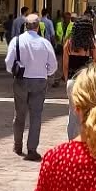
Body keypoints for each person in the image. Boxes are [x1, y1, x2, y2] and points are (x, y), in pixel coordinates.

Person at [8, 11, 59, 160]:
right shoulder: (45, 43)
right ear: (38, 27)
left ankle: (18, 145)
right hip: (39, 81)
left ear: (25, 26)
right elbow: (54, 65)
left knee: (19, 114)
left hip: (21, 80)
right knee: (36, 116)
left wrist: (16, 71)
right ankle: (32, 149)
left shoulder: (17, 41)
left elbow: (8, 63)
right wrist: (46, 72)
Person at [62, 14, 96, 141]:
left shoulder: (69, 43)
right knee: (87, 113)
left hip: (73, 81)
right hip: (86, 82)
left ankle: (72, 141)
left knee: (73, 113)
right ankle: (84, 140)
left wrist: (67, 80)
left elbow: (65, 65)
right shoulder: (91, 45)